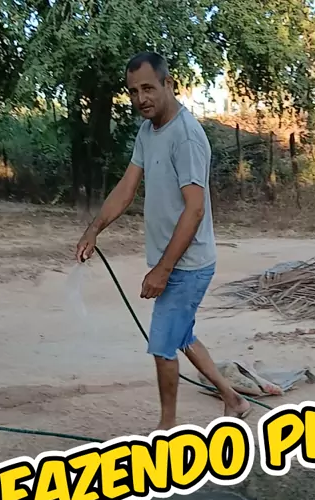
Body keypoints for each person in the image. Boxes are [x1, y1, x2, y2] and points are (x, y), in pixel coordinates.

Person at [76, 51, 251, 430]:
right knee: (181, 334)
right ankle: (234, 400)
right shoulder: (147, 131)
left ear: (168, 84)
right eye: (133, 91)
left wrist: (163, 270)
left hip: (188, 265)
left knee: (162, 344)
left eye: (148, 88)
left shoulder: (185, 138)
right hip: (171, 262)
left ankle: (166, 430)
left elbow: (195, 210)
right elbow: (127, 187)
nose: (141, 98)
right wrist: (94, 228)